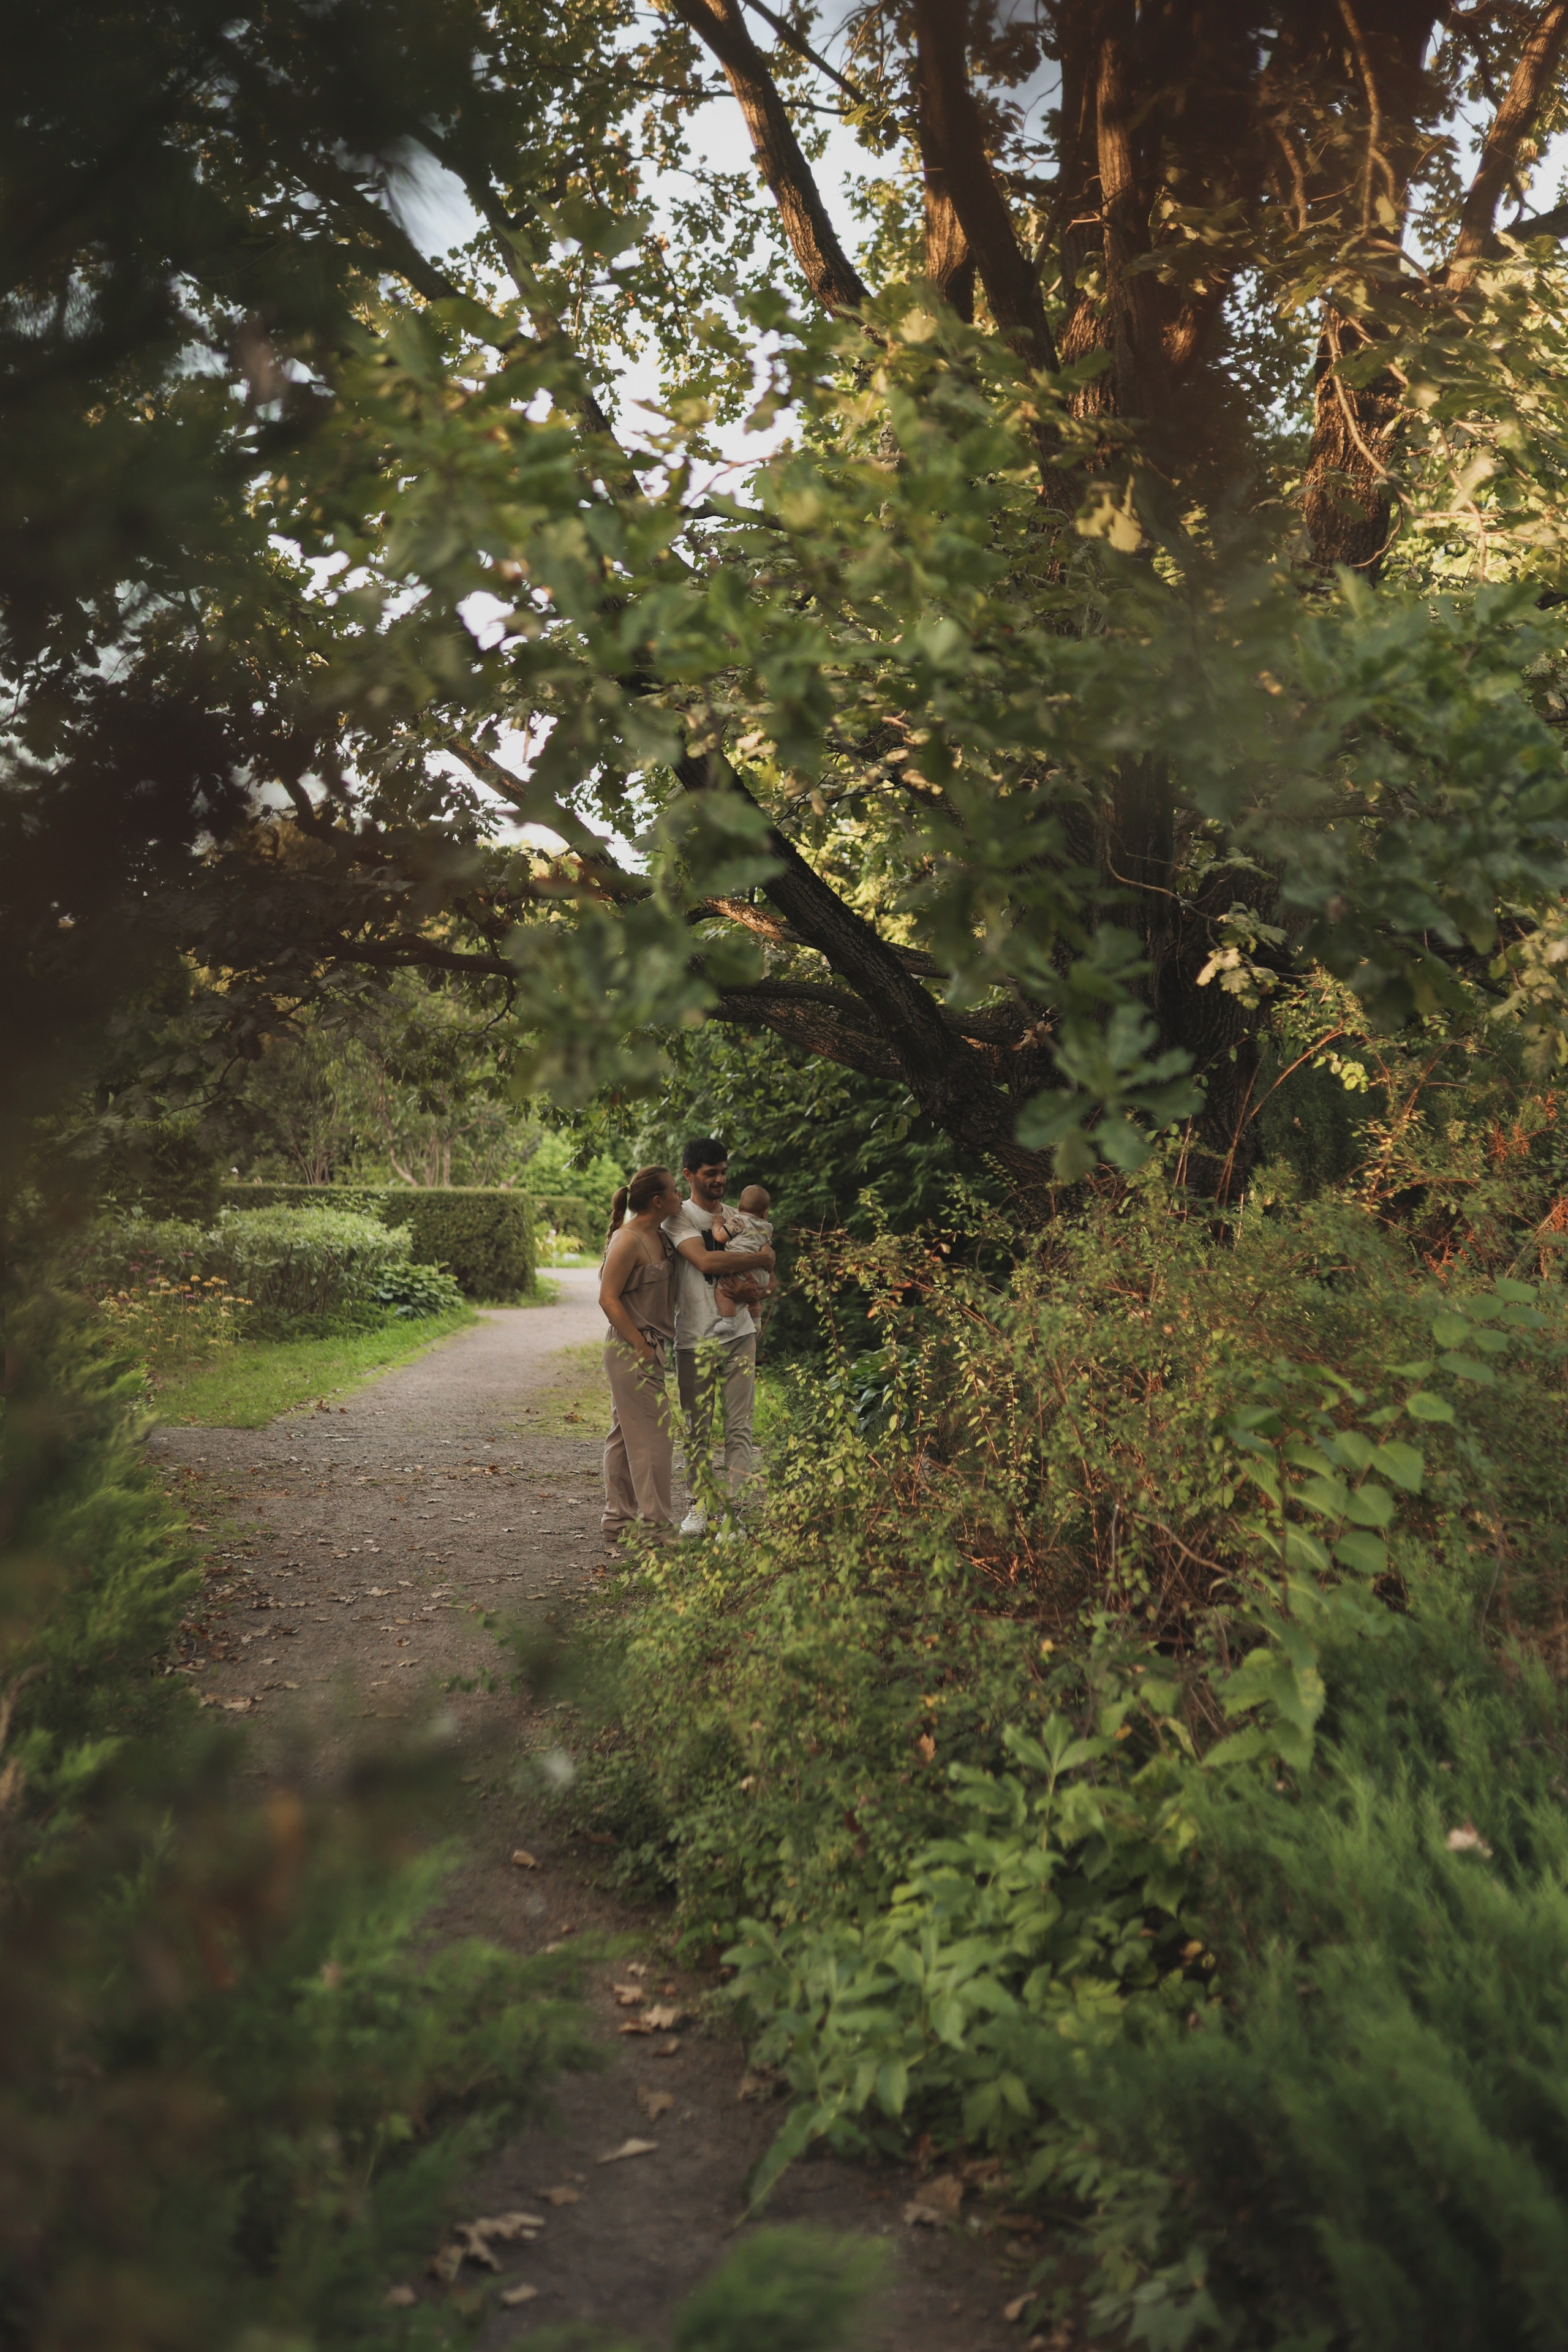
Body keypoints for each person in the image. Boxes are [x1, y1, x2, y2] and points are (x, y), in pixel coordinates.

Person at [663, 1139, 776, 1538]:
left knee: (740, 1426)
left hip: (740, 1334)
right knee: (699, 1425)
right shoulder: (677, 1218)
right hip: (695, 1336)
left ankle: (732, 1511)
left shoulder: (738, 1215)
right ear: (689, 1175)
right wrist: (760, 1259)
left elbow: (768, 1279)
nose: (720, 1180)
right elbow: (706, 1261)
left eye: (724, 1172)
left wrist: (759, 1289)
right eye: (710, 1173)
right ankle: (699, 1505)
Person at [598, 1164, 682, 1544]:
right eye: (676, 1190)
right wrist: (641, 1346)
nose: (681, 1196)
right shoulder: (628, 1240)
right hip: (631, 1350)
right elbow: (608, 1299)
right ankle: (656, 1527)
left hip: (644, 1349)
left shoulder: (661, 1236)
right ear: (658, 1200)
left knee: (624, 1434)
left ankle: (618, 1521)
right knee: (654, 1437)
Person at [710, 1183, 774, 1338]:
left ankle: (729, 1322)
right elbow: (768, 1249)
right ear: (765, 1214)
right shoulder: (768, 1227)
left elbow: (720, 1236)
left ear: (739, 1207)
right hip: (761, 1275)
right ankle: (757, 1321)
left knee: (722, 1292)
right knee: (753, 1297)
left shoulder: (739, 1220)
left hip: (740, 1270)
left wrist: (718, 1224)